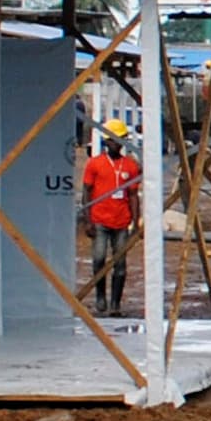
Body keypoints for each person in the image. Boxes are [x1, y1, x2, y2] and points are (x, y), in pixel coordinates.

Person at [81, 118, 143, 312]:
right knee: (99, 259)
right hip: (100, 220)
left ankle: (115, 303)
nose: (116, 143)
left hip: (121, 222)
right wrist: (87, 219)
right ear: (107, 142)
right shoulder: (95, 164)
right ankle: (101, 297)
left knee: (120, 264)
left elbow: (133, 195)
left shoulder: (130, 166)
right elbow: (86, 192)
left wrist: (135, 222)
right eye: (113, 140)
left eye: (120, 139)